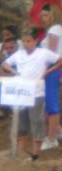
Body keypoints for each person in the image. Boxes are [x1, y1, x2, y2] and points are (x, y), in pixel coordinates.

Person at [0, 28, 62, 160]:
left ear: (36, 41)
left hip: (37, 93)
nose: (26, 44)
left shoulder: (44, 53)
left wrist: (49, 71)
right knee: (21, 123)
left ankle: (35, 155)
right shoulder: (19, 54)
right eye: (24, 41)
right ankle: (20, 153)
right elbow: (5, 63)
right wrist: (13, 71)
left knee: (37, 122)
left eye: (28, 41)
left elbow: (60, 60)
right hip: (21, 93)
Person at [39, 4, 62, 149]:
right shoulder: (58, 29)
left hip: (53, 70)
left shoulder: (54, 30)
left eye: (45, 15)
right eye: (41, 15)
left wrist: (45, 71)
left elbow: (52, 54)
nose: (43, 18)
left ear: (53, 15)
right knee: (50, 103)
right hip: (55, 69)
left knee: (51, 104)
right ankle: (57, 132)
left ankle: (51, 138)